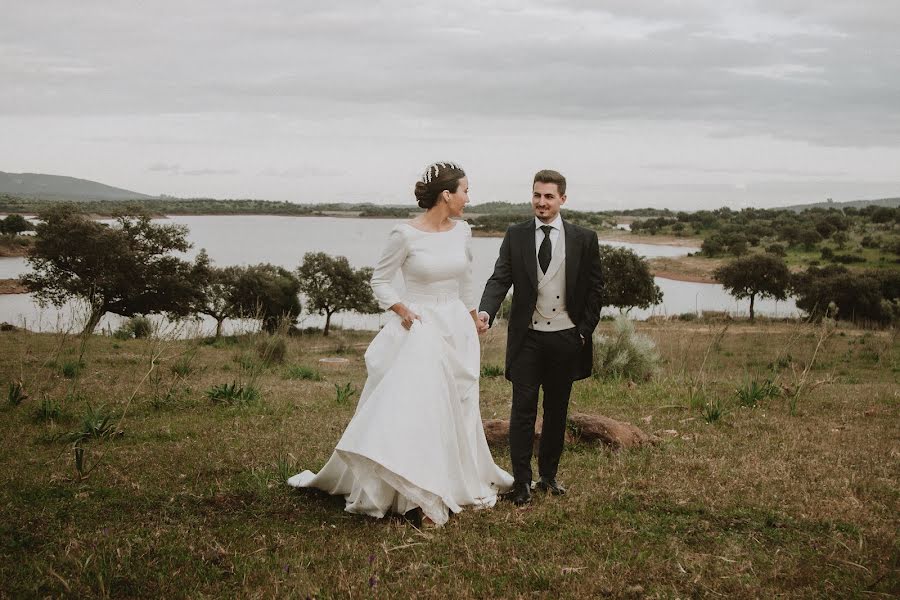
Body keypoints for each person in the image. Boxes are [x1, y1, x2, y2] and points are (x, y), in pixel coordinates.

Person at [288, 162, 513, 526]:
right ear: (446, 195)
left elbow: (467, 280)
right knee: (419, 408)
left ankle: (452, 482)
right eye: (465, 191)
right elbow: (380, 281)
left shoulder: (463, 232)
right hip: (419, 328)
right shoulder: (404, 235)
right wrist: (401, 308)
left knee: (459, 404)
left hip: (454, 325)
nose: (468, 198)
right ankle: (416, 495)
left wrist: (474, 318)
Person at [477, 169, 603, 506]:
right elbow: (499, 278)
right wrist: (486, 312)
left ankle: (549, 476)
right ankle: (522, 482)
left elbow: (595, 290)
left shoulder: (584, 238)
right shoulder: (515, 235)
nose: (541, 202)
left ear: (563, 199)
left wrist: (583, 332)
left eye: (548, 196)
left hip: (566, 338)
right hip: (527, 339)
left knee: (557, 410)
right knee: (522, 411)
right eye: (537, 195)